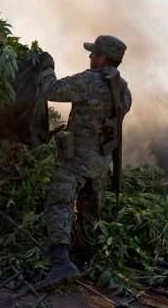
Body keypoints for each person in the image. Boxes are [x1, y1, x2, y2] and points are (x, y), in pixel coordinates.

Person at [34, 35, 132, 292]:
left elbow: (50, 90)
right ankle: (84, 257)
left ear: (102, 58)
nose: (89, 57)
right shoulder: (123, 89)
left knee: (60, 202)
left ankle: (61, 262)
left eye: (93, 53)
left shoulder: (88, 81)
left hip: (76, 156)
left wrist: (47, 67)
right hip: (102, 158)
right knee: (90, 208)